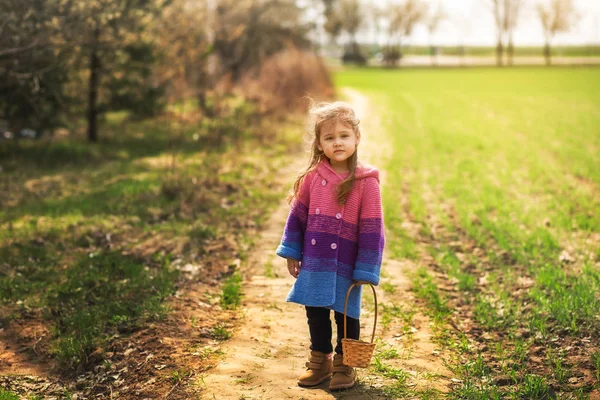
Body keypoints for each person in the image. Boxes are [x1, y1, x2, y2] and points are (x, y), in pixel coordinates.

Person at [275, 101, 385, 391]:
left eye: (344, 135)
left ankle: (344, 364)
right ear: (320, 143)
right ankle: (320, 360)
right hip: (316, 258)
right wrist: (292, 252)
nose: (337, 142)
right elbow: (297, 217)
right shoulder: (313, 178)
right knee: (316, 311)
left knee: (347, 315)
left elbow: (373, 229)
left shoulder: (366, 182)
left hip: (348, 263)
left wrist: (366, 268)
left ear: (357, 138)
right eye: (329, 137)